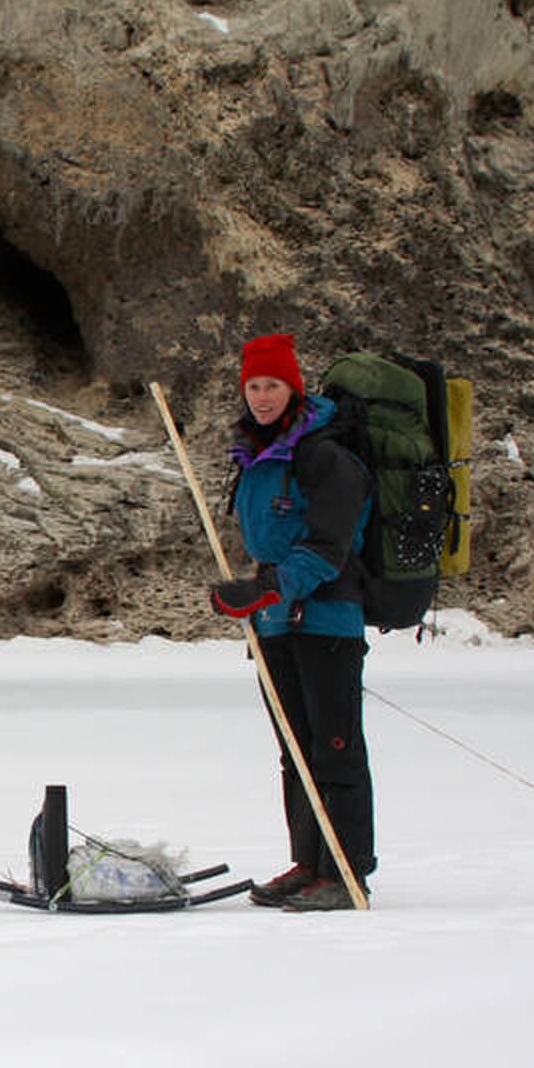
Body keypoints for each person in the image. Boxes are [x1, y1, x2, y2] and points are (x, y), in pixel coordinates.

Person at [208, 333, 376, 911]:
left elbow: (328, 547)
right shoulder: (256, 452)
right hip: (278, 621)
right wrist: (259, 595)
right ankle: (309, 861)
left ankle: (345, 870)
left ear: (293, 388)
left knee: (334, 746)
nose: (260, 396)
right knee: (295, 750)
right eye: (253, 386)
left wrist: (265, 589)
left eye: (272, 385)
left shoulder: (325, 456)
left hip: (327, 616)